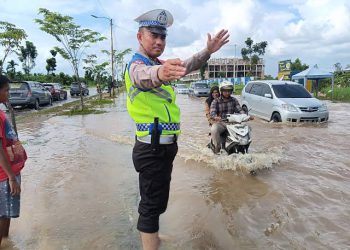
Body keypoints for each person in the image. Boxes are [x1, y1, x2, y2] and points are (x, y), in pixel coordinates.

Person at [125, 9, 229, 250]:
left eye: (163, 37)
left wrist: (208, 52)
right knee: (151, 206)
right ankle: (150, 242)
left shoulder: (159, 63)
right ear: (140, 36)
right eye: (154, 35)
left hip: (164, 147)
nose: (159, 41)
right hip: (151, 148)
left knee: (157, 201)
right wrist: (160, 73)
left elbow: (188, 64)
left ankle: (154, 238)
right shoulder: (137, 65)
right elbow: (144, 77)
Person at [0, 75, 27, 247]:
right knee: (3, 214)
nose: (9, 93)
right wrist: (11, 177)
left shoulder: (1, 112)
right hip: (5, 175)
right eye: (6, 90)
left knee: (6, 213)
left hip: (7, 173)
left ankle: (6, 241)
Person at [210, 80, 245, 154]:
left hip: (233, 123)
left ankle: (243, 147)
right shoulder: (215, 101)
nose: (227, 93)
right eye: (225, 91)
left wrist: (246, 116)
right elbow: (212, 113)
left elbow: (240, 109)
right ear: (221, 91)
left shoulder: (234, 100)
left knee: (245, 131)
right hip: (221, 123)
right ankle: (217, 148)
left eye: (229, 91)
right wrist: (216, 117)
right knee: (214, 129)